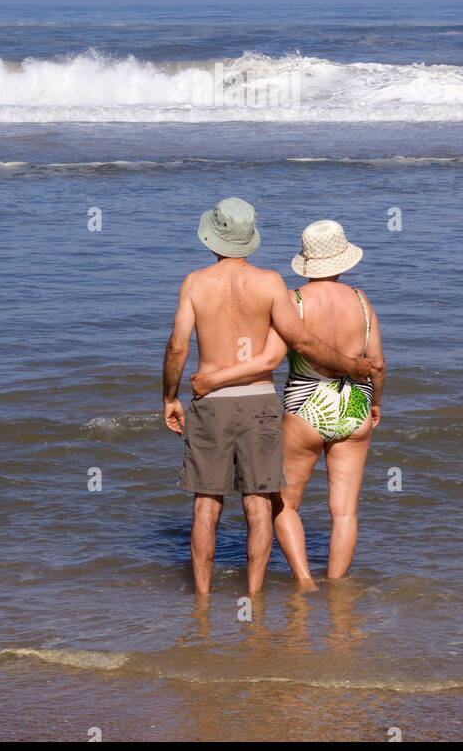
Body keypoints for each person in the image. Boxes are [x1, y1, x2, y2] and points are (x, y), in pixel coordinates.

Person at [162, 198, 378, 595]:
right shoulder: (276, 284)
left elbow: (178, 347)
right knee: (265, 503)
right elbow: (317, 346)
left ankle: (208, 598)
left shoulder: (195, 282)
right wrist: (356, 372)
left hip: (227, 403)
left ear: (212, 237)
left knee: (208, 505)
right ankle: (259, 596)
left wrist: (170, 397)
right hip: (283, 401)